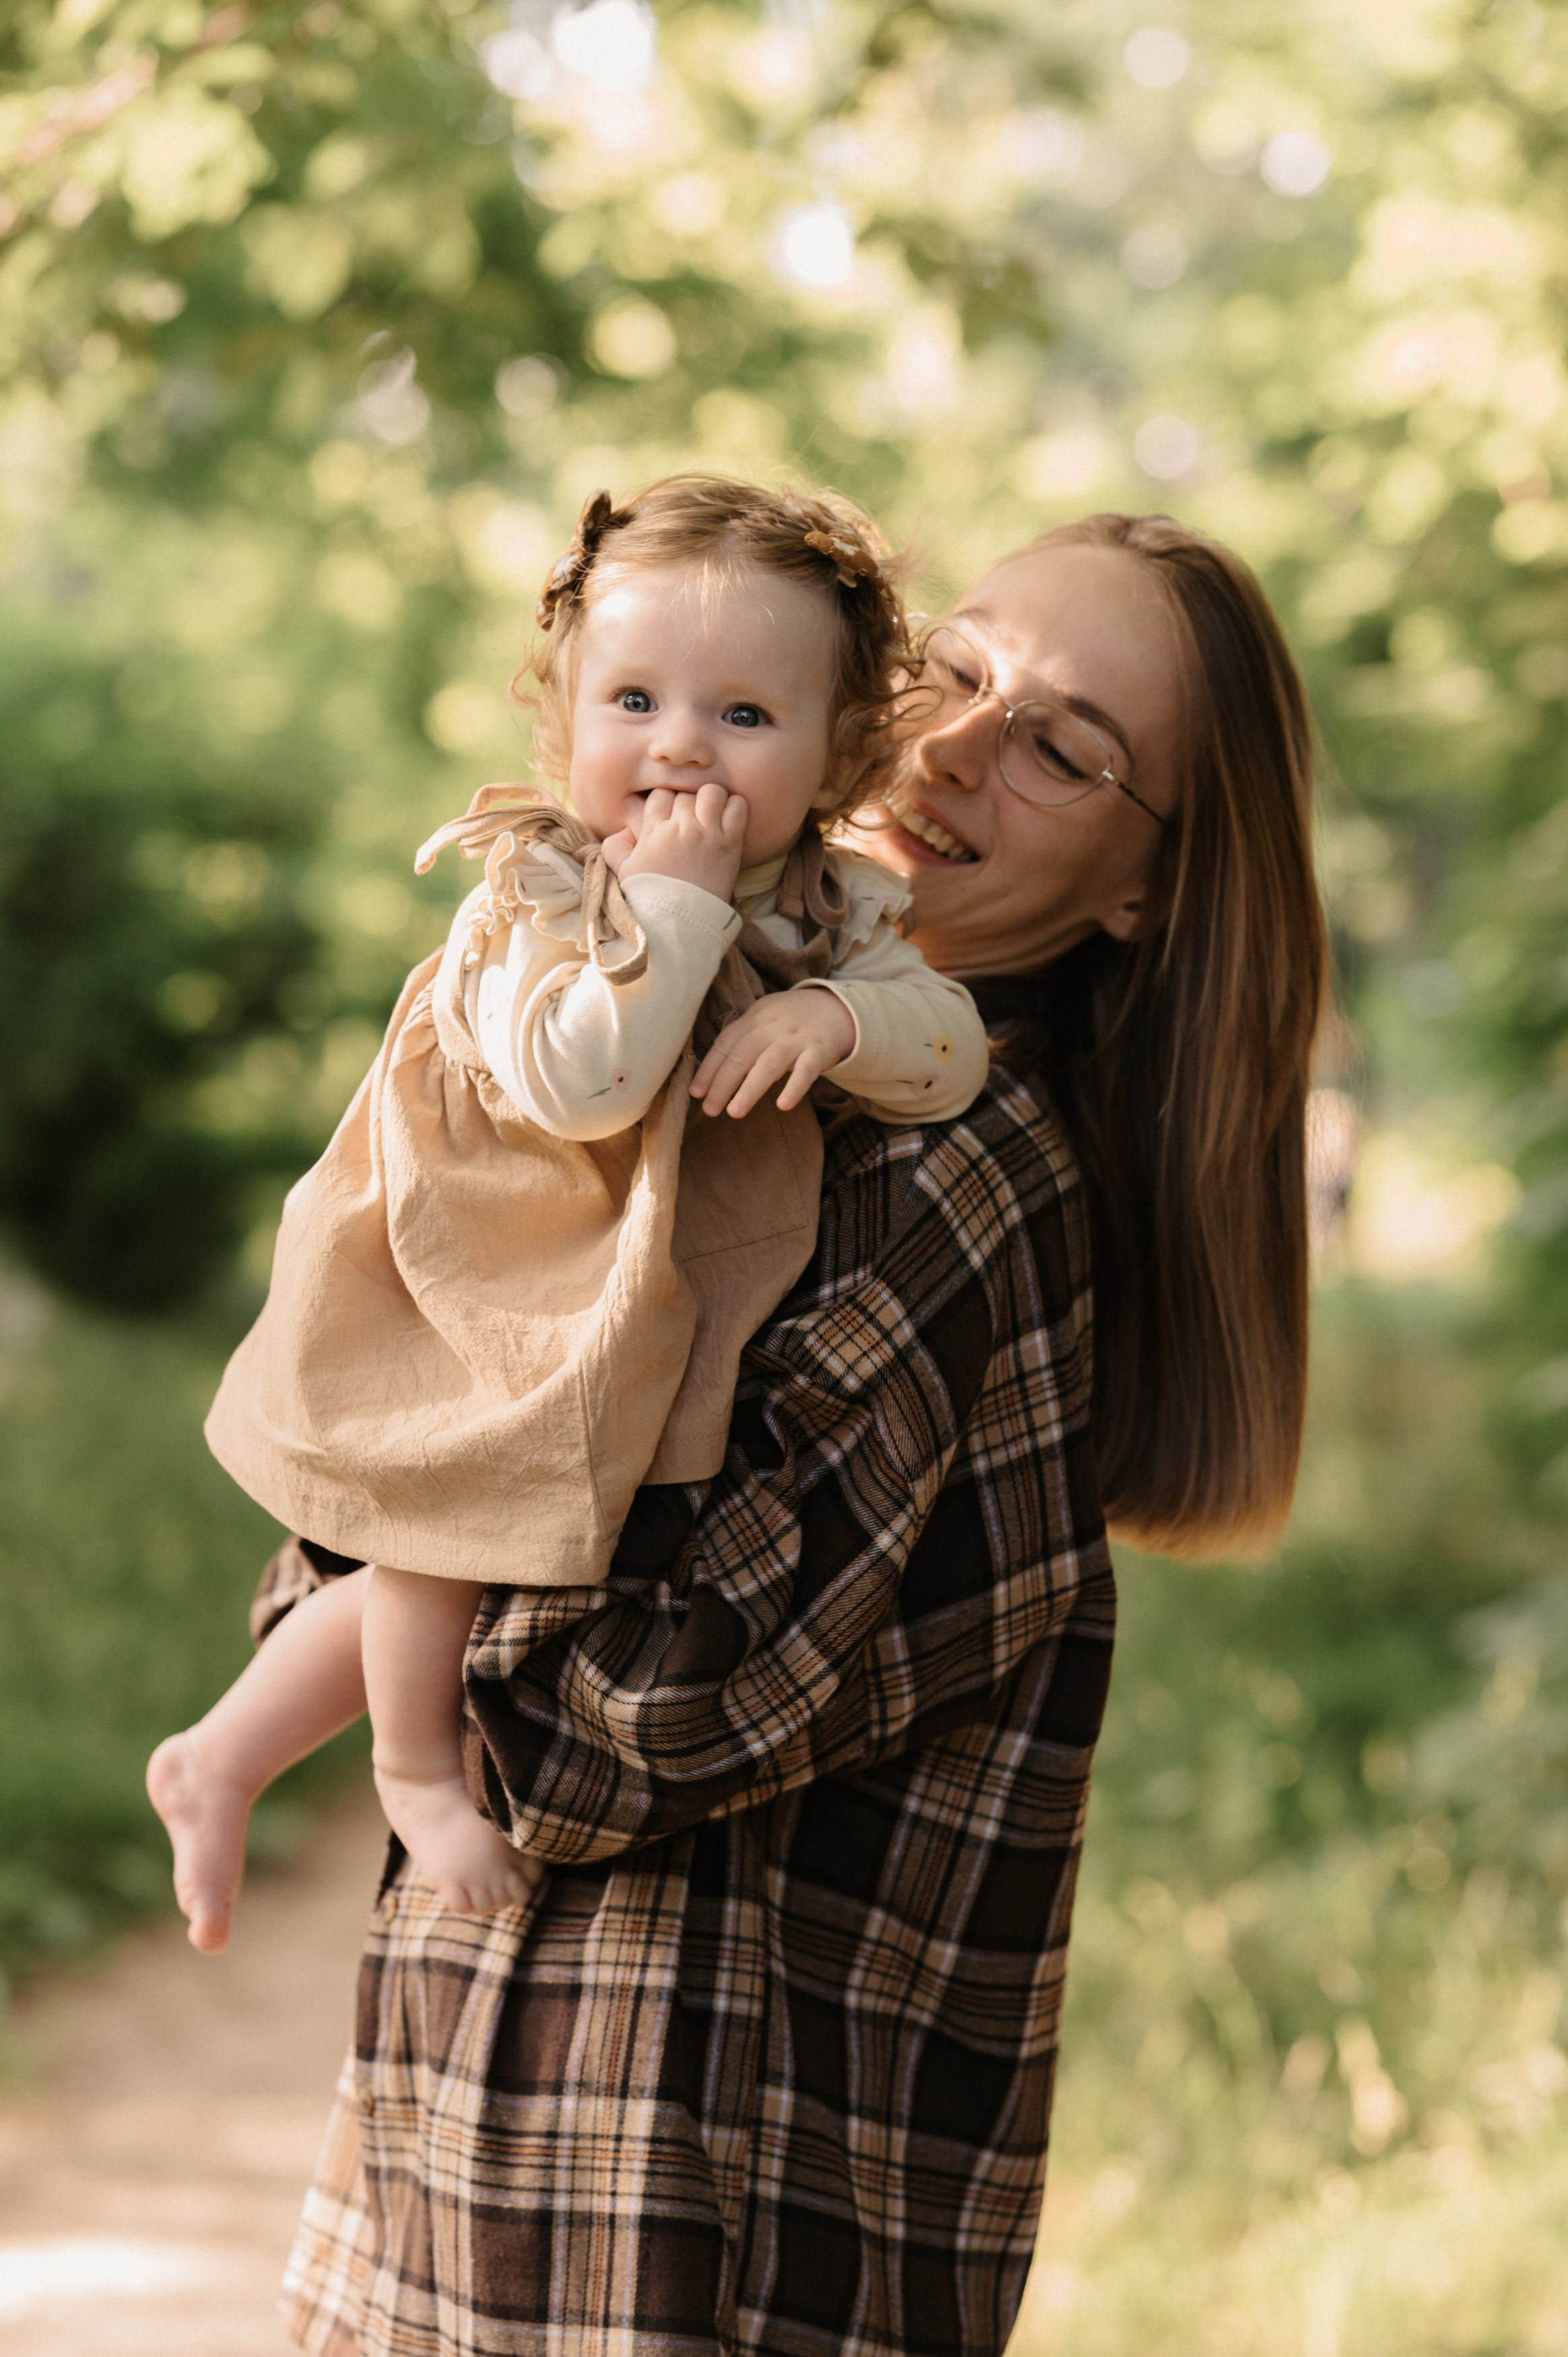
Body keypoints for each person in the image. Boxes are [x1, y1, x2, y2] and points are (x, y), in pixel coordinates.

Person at [254, 511, 1326, 2357]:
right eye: (959, 670)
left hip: (695, 2188)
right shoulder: (700, 1025)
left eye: (1068, 746)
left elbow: (641, 1704)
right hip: (497, 2111)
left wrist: (377, 1593)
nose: (961, 747)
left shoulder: (947, 1167)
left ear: (1149, 886)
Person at [148, 477, 989, 1952]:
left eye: (744, 716)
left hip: (624, 1287)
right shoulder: (541, 890)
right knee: (453, 1523)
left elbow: (952, 1045)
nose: (678, 742)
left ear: (839, 750)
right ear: (564, 716)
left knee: (500, 1546)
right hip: (486, 1258)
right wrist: (671, 910)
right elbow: (584, 1086)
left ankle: (220, 1750)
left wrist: (840, 1023)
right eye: (638, 697)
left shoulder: (834, 905)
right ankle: (409, 1769)